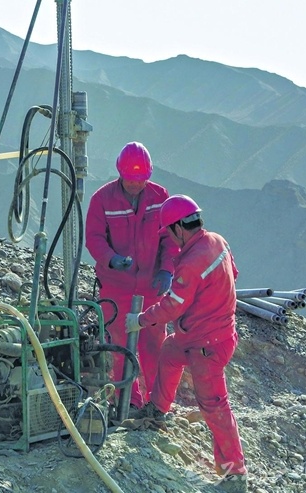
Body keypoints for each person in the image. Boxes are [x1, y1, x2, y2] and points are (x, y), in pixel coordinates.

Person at [126, 194, 247, 492]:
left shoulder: (192, 262)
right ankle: (157, 410)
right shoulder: (218, 241)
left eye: (168, 230)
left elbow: (172, 307)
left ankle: (236, 473)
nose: (168, 236)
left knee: (213, 404)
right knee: (169, 351)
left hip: (208, 344)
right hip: (204, 333)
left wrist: (140, 320)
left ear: (180, 227)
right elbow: (233, 272)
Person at [85, 141, 178, 410]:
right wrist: (111, 259)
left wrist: (166, 270)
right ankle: (128, 403)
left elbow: (170, 240)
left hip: (151, 288)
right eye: (130, 178)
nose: (136, 184)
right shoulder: (102, 199)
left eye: (141, 179)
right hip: (116, 288)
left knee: (153, 347)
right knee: (120, 348)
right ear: (120, 174)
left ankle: (156, 404)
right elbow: (94, 238)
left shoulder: (160, 197)